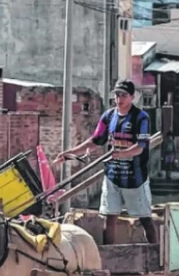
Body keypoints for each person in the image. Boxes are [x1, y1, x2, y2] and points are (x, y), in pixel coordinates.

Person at [55, 79, 156, 245]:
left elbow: (142, 146)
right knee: (108, 220)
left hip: (135, 179)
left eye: (123, 95)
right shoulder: (108, 117)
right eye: (117, 95)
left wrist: (123, 154)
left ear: (132, 97)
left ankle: (155, 256)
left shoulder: (141, 118)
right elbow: (94, 142)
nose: (119, 99)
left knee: (145, 219)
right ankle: (109, 257)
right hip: (112, 177)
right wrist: (69, 154)